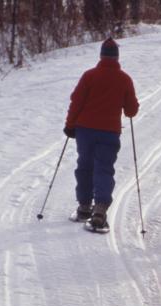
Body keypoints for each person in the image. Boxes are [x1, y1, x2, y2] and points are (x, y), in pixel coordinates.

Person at [64, 37, 139, 231]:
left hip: (85, 130)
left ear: (101, 55)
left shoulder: (89, 76)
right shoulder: (124, 79)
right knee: (104, 169)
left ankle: (83, 207)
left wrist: (70, 125)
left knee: (85, 166)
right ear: (117, 57)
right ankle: (100, 211)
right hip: (109, 132)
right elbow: (131, 110)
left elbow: (76, 102)